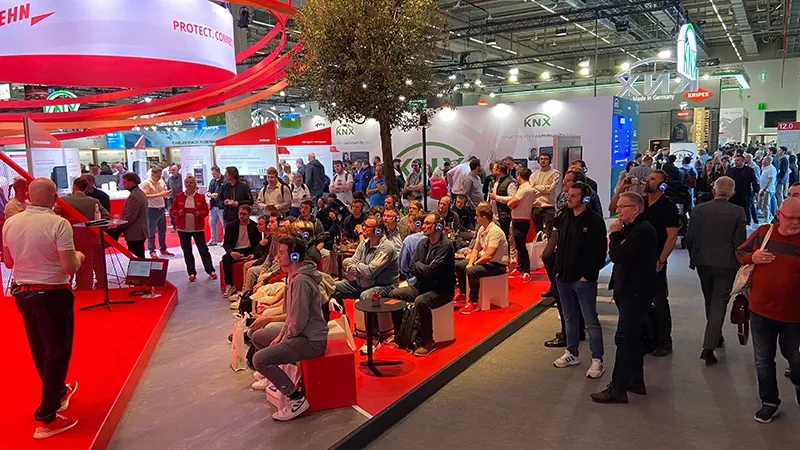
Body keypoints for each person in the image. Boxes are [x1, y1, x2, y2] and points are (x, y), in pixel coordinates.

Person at [4, 178, 85, 439]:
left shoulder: (11, 222)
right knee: (58, 352)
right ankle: (46, 417)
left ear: (28, 195)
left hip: (23, 293)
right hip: (52, 294)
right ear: (54, 198)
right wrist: (80, 257)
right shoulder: (58, 224)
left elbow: (7, 262)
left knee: (39, 348)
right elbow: (69, 267)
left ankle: (58, 390)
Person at [250, 236, 328, 421]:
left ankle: (296, 399)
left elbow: (299, 320)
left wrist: (286, 337)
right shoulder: (294, 277)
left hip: (311, 340)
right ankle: (277, 379)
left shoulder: (301, 280)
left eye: (282, 252)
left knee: (259, 359)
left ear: (294, 256)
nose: (278, 255)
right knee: (260, 338)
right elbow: (293, 316)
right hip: (302, 335)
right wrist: (283, 334)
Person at [736, 197, 800, 423]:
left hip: (794, 316)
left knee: (796, 359)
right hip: (761, 311)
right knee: (763, 360)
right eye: (790, 218)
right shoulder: (764, 233)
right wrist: (752, 257)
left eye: (799, 219)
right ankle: (769, 402)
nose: (795, 223)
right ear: (779, 215)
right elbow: (740, 253)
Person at [590, 192, 657, 404]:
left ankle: (618, 388)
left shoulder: (642, 231)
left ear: (635, 209)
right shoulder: (633, 228)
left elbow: (617, 255)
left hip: (635, 292)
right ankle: (635, 381)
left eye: (622, 207)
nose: (617, 211)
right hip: (628, 289)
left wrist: (615, 236)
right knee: (633, 337)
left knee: (625, 338)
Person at [684, 176, 746, 365]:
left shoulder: (699, 210)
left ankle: (715, 336)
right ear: (732, 192)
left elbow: (689, 237)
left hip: (703, 261)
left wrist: (693, 258)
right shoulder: (738, 212)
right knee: (719, 302)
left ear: (714, 190)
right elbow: (739, 242)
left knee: (709, 299)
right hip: (727, 263)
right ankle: (709, 346)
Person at [552, 182, 608, 378]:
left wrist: (588, 274)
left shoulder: (594, 222)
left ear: (585, 198)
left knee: (591, 321)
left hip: (584, 280)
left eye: (574, 195)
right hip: (564, 277)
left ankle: (597, 359)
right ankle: (571, 352)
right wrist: (558, 271)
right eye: (569, 195)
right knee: (569, 318)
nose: (569, 198)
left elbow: (600, 252)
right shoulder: (564, 218)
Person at [388, 213, 455, 356]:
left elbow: (432, 271)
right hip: (422, 286)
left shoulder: (446, 246)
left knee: (421, 302)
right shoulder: (422, 243)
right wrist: (423, 268)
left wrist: (422, 268)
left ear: (438, 226)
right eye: (423, 223)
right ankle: (400, 334)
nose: (423, 227)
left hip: (442, 290)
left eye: (427, 224)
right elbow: (412, 266)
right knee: (393, 294)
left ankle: (428, 342)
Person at [332, 215, 399, 352]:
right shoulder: (364, 243)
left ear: (378, 231)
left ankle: (373, 338)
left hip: (384, 286)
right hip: (361, 282)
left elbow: (370, 272)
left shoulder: (387, 248)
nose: (363, 229)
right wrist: (361, 267)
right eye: (364, 225)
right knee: (332, 287)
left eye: (367, 227)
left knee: (366, 296)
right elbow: (348, 263)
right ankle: (344, 326)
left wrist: (357, 267)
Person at [455, 202, 508, 315]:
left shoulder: (495, 231)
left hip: (497, 265)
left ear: (483, 217)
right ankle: (464, 293)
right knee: (460, 266)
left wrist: (473, 264)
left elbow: (489, 255)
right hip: (486, 261)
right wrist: (470, 261)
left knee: (472, 271)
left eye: (477, 215)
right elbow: (476, 249)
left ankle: (474, 302)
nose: (475, 218)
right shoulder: (481, 229)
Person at [59, 177, 110, 291]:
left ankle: (68, 287)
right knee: (88, 265)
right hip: (91, 237)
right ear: (86, 188)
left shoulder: (64, 201)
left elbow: (53, 216)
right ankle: (87, 288)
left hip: (70, 237)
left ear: (74, 187)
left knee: (69, 263)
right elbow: (106, 217)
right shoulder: (94, 201)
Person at [170, 175, 216, 282]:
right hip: (183, 229)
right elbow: (172, 210)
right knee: (187, 251)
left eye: (191, 182)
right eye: (187, 182)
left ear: (195, 185)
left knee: (203, 250)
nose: (188, 184)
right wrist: (178, 213)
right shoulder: (179, 196)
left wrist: (199, 213)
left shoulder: (200, 197)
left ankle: (210, 271)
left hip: (197, 229)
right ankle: (191, 272)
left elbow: (206, 211)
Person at [498, 167, 537, 280]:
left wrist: (513, 205)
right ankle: (520, 267)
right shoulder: (527, 188)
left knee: (521, 246)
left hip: (521, 219)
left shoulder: (524, 189)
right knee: (518, 245)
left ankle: (526, 270)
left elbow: (511, 203)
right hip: (520, 218)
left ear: (519, 176)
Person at [221, 205, 262, 298]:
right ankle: (229, 284)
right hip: (235, 250)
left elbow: (257, 244)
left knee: (259, 257)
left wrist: (253, 254)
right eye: (240, 213)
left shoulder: (254, 226)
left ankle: (250, 286)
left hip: (249, 250)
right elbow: (226, 244)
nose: (241, 216)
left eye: (244, 214)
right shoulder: (231, 226)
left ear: (249, 215)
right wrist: (231, 252)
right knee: (226, 258)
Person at [140, 166, 174, 258]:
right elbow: (145, 196)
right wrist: (160, 195)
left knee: (162, 230)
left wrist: (166, 194)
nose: (159, 177)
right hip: (151, 209)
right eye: (157, 176)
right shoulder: (146, 183)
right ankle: (152, 250)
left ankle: (163, 249)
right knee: (151, 232)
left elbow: (163, 192)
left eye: (160, 176)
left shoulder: (161, 181)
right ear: (152, 174)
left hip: (161, 208)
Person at [115, 173, 149, 258]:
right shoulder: (138, 193)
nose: (123, 184)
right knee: (138, 255)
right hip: (138, 230)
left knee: (137, 257)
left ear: (131, 182)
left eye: (125, 182)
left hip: (135, 232)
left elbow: (130, 217)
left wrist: (119, 227)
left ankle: (139, 271)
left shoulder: (134, 196)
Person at [530, 153, 561, 234]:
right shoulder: (533, 175)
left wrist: (537, 187)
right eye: (541, 159)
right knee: (537, 232)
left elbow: (551, 189)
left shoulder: (555, 173)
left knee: (548, 231)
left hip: (549, 206)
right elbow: (531, 190)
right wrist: (545, 188)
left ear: (550, 161)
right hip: (536, 206)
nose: (543, 161)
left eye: (546, 159)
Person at [726, 154, 760, 226]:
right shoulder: (730, 171)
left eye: (738, 160)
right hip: (733, 194)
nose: (736, 162)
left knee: (746, 210)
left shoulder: (749, 170)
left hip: (745, 194)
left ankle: (747, 224)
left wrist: (755, 191)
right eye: (735, 160)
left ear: (743, 161)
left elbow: (754, 182)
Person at [488, 162, 516, 241]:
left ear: (499, 170)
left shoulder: (510, 183)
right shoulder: (497, 181)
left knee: (504, 238)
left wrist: (496, 197)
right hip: (496, 214)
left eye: (493, 169)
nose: (492, 171)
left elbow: (512, 198)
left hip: (505, 215)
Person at [397, 212, 426, 281]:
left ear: (418, 224)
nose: (408, 224)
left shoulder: (409, 240)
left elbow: (403, 266)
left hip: (413, 280)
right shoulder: (431, 237)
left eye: (410, 222)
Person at [206, 166, 225, 246]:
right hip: (214, 205)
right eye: (212, 174)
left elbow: (224, 193)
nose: (213, 175)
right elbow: (209, 190)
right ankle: (213, 240)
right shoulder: (212, 181)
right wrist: (209, 194)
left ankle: (225, 240)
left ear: (218, 172)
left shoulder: (225, 181)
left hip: (221, 206)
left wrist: (217, 195)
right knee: (211, 222)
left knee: (224, 224)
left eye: (214, 173)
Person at [759, 156, 778, 223]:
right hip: (762, 188)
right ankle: (770, 216)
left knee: (765, 205)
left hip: (768, 189)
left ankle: (767, 219)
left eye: (764, 159)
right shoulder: (764, 167)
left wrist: (765, 189)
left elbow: (770, 180)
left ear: (768, 161)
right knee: (759, 204)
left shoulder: (771, 169)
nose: (762, 160)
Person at [165, 164, 183, 231]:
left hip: (180, 198)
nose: (172, 171)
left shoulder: (181, 177)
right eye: (171, 170)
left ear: (177, 170)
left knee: (180, 212)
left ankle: (180, 225)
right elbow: (168, 188)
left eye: (173, 170)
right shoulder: (169, 179)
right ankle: (174, 226)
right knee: (171, 211)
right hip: (171, 198)